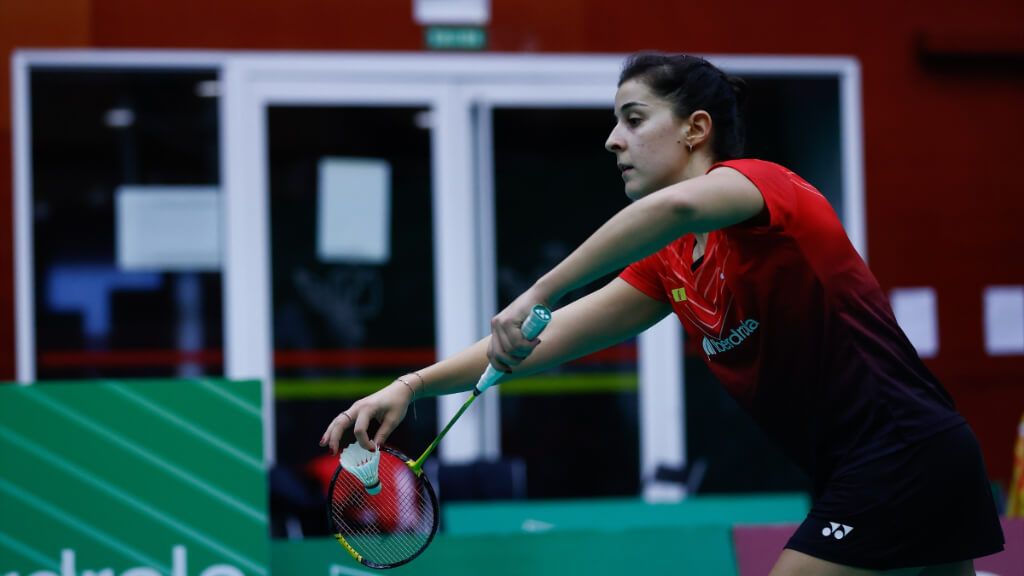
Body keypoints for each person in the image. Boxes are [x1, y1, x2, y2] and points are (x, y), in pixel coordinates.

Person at [321, 52, 1004, 575]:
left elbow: (672, 209)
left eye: (634, 118)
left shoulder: (766, 191)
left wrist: (538, 289)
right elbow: (544, 341)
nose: (613, 139)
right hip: (862, 466)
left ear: (695, 130)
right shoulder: (671, 268)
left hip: (902, 451)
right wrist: (409, 386)